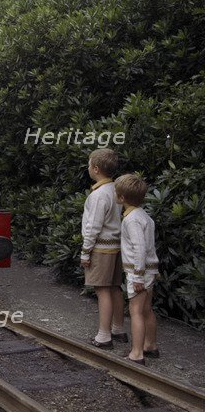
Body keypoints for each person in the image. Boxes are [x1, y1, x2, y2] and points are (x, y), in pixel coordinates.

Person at [80, 148, 126, 349]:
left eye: (89, 165)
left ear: (96, 169)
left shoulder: (98, 195)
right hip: (116, 247)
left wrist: (85, 251)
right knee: (115, 287)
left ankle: (103, 336)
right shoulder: (117, 189)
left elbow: (93, 226)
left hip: (101, 248)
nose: (88, 168)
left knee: (102, 290)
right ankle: (118, 329)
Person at [115, 174, 159, 365]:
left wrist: (138, 276)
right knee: (147, 309)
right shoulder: (144, 216)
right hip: (150, 269)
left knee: (136, 311)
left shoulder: (131, 220)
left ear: (122, 198)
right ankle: (150, 345)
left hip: (139, 272)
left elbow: (139, 248)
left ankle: (136, 353)